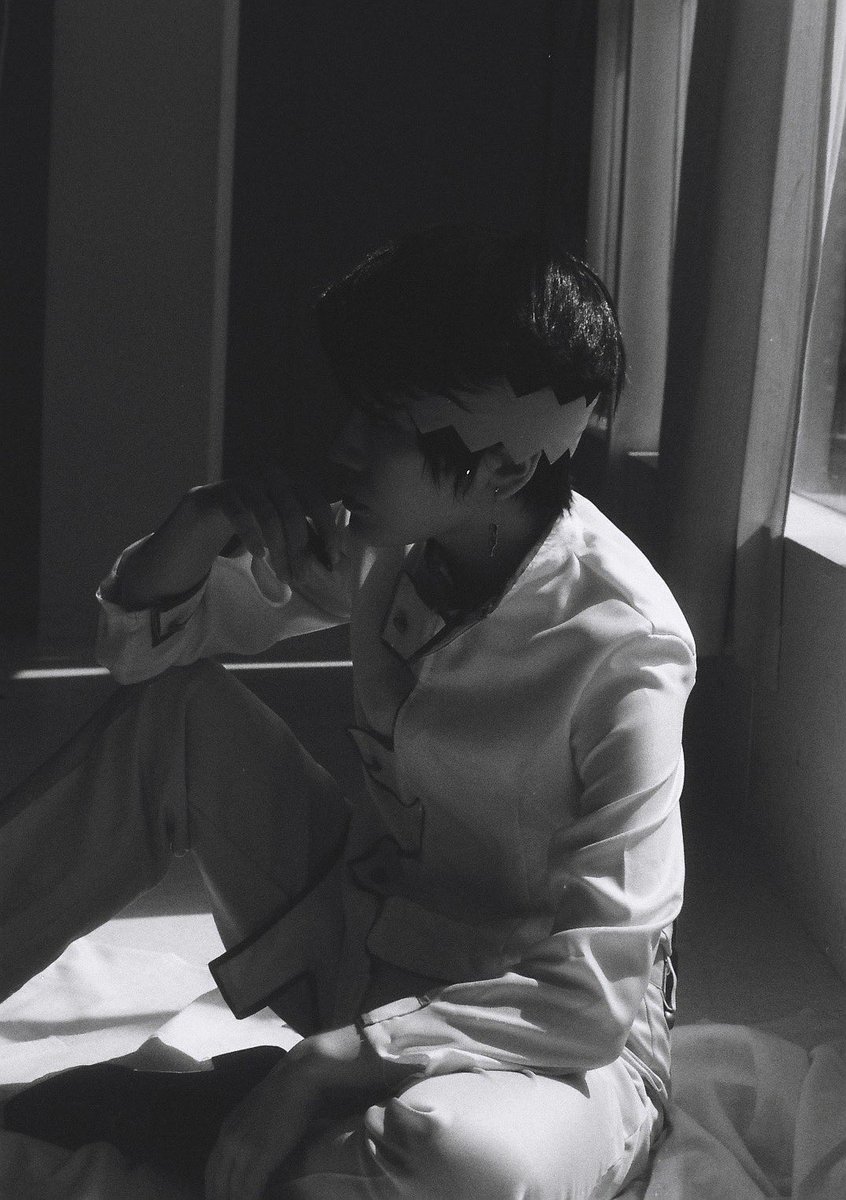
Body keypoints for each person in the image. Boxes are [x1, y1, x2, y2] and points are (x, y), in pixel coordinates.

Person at [0, 225, 696, 1200]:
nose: (344, 446)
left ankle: (273, 1126)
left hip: (537, 1037)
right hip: (369, 943)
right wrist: (202, 519)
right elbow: (141, 655)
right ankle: (278, 1130)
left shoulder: (625, 642)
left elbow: (593, 989)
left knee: (460, 1159)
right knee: (176, 717)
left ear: (499, 470)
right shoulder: (395, 541)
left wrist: (326, 1064)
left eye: (385, 424)